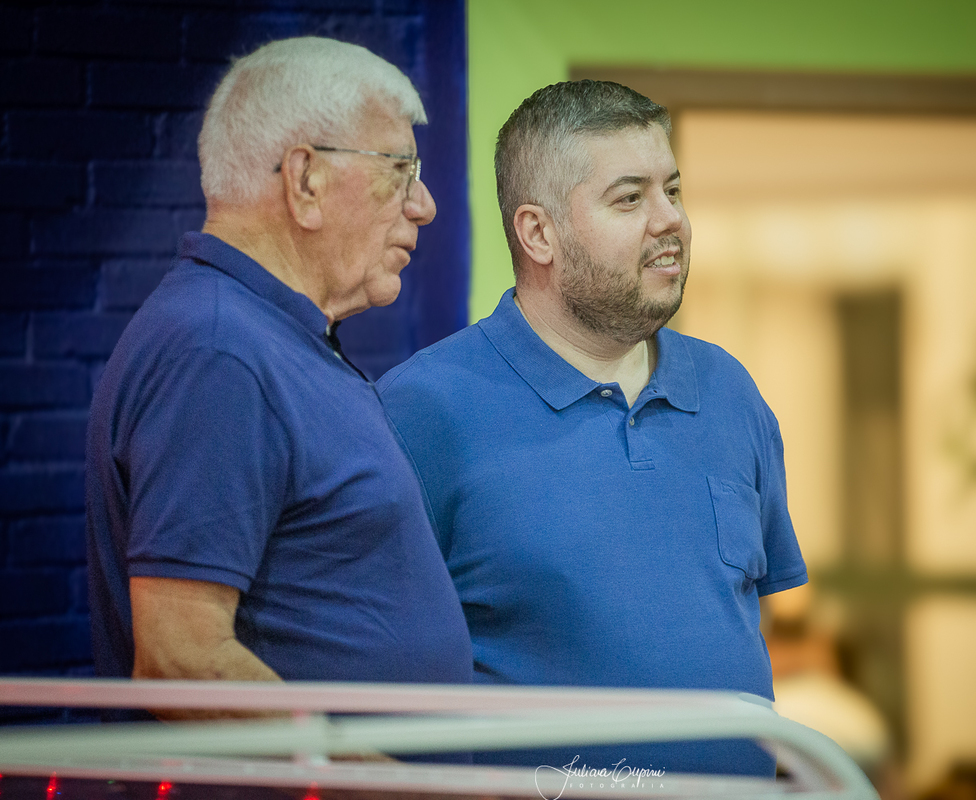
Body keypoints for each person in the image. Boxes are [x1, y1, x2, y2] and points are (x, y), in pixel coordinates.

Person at [377, 80, 808, 777]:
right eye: (630, 198)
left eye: (673, 189)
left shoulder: (730, 392)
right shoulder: (421, 411)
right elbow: (368, 664)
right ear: (538, 233)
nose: (670, 220)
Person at [85, 37, 472, 717]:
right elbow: (182, 658)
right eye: (400, 170)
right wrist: (368, 773)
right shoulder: (219, 352)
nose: (424, 204)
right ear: (305, 180)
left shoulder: (262, 339)